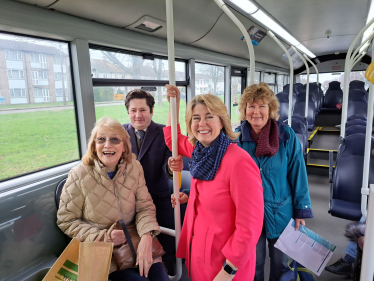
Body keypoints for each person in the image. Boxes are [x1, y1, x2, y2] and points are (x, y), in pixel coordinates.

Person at [164, 84, 264, 281]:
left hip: (225, 263)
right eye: (196, 118)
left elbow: (249, 226)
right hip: (199, 252)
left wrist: (228, 271)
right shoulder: (198, 151)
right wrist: (172, 105)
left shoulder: (239, 162)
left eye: (209, 116)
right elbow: (171, 139)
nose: (202, 123)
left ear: (222, 121)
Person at [57, 116, 169, 281]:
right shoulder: (79, 175)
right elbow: (66, 220)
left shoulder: (134, 167)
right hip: (103, 253)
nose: (107, 145)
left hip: (136, 242)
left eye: (115, 140)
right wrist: (104, 236)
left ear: (124, 146)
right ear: (94, 146)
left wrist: (146, 236)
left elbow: (144, 206)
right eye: (101, 139)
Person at [236, 82, 314, 281]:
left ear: (270, 109)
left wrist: (301, 210)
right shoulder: (235, 140)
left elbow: (298, 174)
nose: (256, 112)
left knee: (281, 264)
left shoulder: (287, 137)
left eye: (262, 106)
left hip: (281, 210)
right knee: (254, 264)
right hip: (248, 214)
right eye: (251, 106)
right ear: (244, 110)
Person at [122, 89, 182, 274]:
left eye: (142, 110)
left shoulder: (163, 133)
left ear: (151, 111)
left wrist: (171, 168)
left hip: (158, 199)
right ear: (128, 112)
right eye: (133, 111)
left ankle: (169, 270)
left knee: (165, 248)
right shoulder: (120, 134)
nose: (137, 115)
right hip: (129, 201)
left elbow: (167, 168)